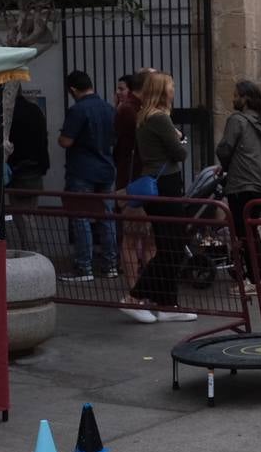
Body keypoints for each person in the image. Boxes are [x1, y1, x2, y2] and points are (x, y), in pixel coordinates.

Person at [121, 71, 196, 324]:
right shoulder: (160, 119)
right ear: (162, 91)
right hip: (165, 184)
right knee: (173, 246)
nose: (174, 90)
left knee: (168, 245)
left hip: (157, 183)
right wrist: (181, 140)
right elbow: (179, 153)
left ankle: (167, 304)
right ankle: (134, 297)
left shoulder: (146, 117)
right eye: (171, 86)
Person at [57, 71, 119, 282]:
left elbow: (66, 141)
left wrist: (61, 136)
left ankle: (84, 267)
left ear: (73, 89)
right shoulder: (109, 109)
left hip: (82, 170)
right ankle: (110, 264)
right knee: (106, 217)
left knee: (81, 217)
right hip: (106, 169)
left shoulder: (77, 110)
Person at [216, 80, 261, 295]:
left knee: (242, 232)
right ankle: (260, 279)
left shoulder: (237, 120)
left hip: (240, 184)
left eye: (235, 94)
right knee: (252, 232)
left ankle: (251, 280)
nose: (233, 98)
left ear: (245, 98)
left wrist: (225, 165)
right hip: (260, 183)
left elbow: (225, 148)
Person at [114, 71, 153, 284]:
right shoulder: (131, 110)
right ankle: (135, 289)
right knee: (133, 236)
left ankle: (147, 287)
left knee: (147, 238)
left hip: (140, 179)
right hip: (136, 180)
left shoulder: (135, 109)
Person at [5, 91, 49, 250]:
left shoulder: (10, 113)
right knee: (29, 215)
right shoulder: (35, 109)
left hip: (20, 171)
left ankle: (31, 253)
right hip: (36, 169)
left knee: (23, 217)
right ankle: (31, 251)